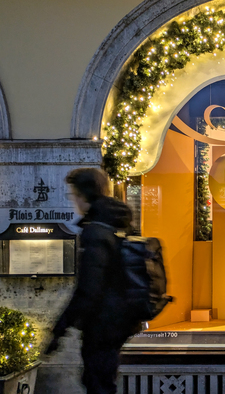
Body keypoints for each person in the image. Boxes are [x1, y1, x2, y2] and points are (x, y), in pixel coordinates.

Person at [45, 168, 140, 394]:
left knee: (98, 384)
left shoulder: (96, 231)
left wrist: (60, 330)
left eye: (73, 194)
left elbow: (89, 288)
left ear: (84, 195)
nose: (73, 201)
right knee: (102, 382)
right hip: (117, 322)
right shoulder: (117, 223)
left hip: (103, 324)